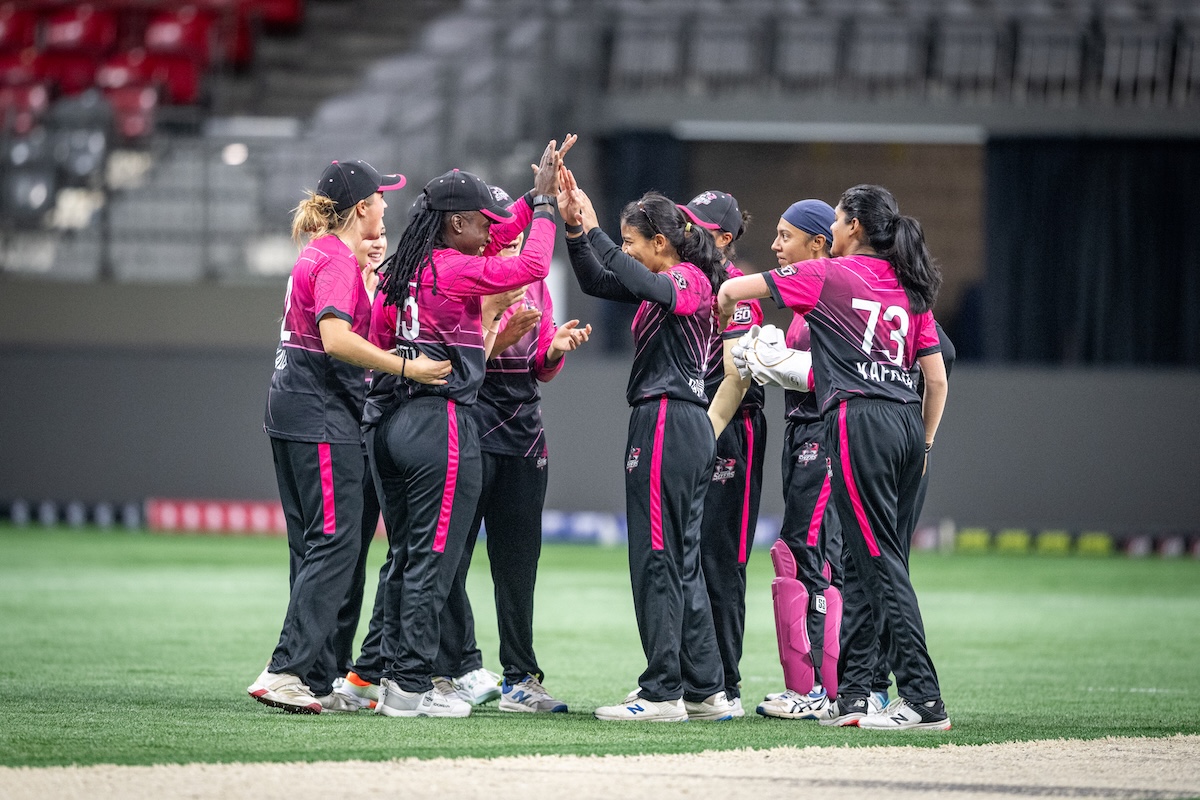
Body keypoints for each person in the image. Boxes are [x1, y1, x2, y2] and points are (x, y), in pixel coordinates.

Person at [717, 184, 951, 731]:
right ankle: (856, 697)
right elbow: (935, 380)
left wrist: (727, 311)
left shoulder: (828, 276)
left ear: (851, 230)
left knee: (879, 562)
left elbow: (743, 290)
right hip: (907, 425)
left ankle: (924, 699)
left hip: (858, 422)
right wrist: (926, 444)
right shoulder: (909, 287)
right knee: (858, 564)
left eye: (841, 219)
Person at [361, 141, 567, 719]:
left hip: (389, 420)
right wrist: (547, 207)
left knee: (405, 556)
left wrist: (530, 198)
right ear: (455, 224)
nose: (493, 233)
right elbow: (529, 264)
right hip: (439, 423)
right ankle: (410, 687)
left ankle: (378, 678)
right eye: (481, 224)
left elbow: (380, 343)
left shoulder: (406, 271)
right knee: (433, 560)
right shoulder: (455, 267)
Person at [250, 161, 451, 715]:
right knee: (337, 541)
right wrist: (405, 368)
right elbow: (336, 340)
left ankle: (314, 677)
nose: (387, 205)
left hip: (290, 409)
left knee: (313, 544)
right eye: (381, 198)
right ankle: (286, 670)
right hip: (319, 416)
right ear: (361, 207)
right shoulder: (335, 257)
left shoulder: (319, 253)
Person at [560, 169, 734, 723]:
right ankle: (704, 690)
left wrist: (597, 232)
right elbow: (597, 280)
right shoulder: (665, 281)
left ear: (660, 243)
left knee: (657, 558)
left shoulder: (690, 279)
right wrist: (574, 231)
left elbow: (643, 280)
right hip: (676, 423)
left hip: (668, 420)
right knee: (678, 558)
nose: (626, 252)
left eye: (633, 242)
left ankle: (662, 692)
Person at [434, 186, 592, 713]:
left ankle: (521, 679)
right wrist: (503, 332)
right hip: (471, 422)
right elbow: (464, 360)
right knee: (450, 558)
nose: (509, 236)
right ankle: (454, 667)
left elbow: (540, 368)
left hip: (524, 432)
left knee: (518, 563)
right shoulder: (468, 276)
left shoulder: (537, 283)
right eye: (499, 227)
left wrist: (553, 348)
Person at [734, 200, 847, 722]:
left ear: (818, 244)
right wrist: (771, 363)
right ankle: (812, 688)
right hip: (801, 434)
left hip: (823, 437)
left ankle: (825, 691)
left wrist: (785, 365)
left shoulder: (832, 289)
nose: (775, 246)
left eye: (785, 236)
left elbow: (854, 373)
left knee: (808, 553)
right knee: (800, 552)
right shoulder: (806, 307)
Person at [677, 190, 764, 717]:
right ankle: (694, 680)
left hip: (733, 431)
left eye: (698, 227)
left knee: (722, 560)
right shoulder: (685, 281)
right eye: (684, 223)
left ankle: (725, 683)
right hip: (696, 426)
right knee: (684, 557)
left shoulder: (740, 292)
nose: (687, 233)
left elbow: (738, 378)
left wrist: (701, 437)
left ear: (725, 238)